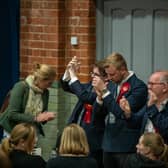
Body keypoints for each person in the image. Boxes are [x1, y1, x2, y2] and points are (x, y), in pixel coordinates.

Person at [92, 52, 148, 168]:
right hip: (108, 143)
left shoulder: (139, 87)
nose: (110, 78)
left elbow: (121, 114)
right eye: (108, 75)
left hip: (126, 145)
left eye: (112, 74)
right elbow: (98, 114)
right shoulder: (111, 85)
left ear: (122, 69)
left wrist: (105, 93)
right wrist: (99, 99)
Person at [59, 56, 108, 168]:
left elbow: (84, 96)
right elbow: (66, 86)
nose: (93, 77)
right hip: (76, 135)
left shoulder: (107, 91)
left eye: (96, 75)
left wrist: (73, 75)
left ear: (106, 78)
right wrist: (68, 71)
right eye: (92, 73)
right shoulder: (90, 87)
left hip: (93, 141)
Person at [0, 63, 56, 155]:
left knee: (29, 160)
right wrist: (36, 118)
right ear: (41, 79)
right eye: (49, 82)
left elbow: (41, 117)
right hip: (13, 130)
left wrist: (46, 117)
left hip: (31, 132)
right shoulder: (21, 87)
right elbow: (12, 114)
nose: (50, 85)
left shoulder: (45, 92)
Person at [120, 70, 168, 144]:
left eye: (152, 84)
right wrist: (128, 113)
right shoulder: (149, 103)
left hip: (162, 153)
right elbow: (135, 123)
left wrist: (152, 108)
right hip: (143, 151)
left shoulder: (151, 105)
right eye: (148, 83)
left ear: (165, 87)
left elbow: (165, 129)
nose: (148, 87)